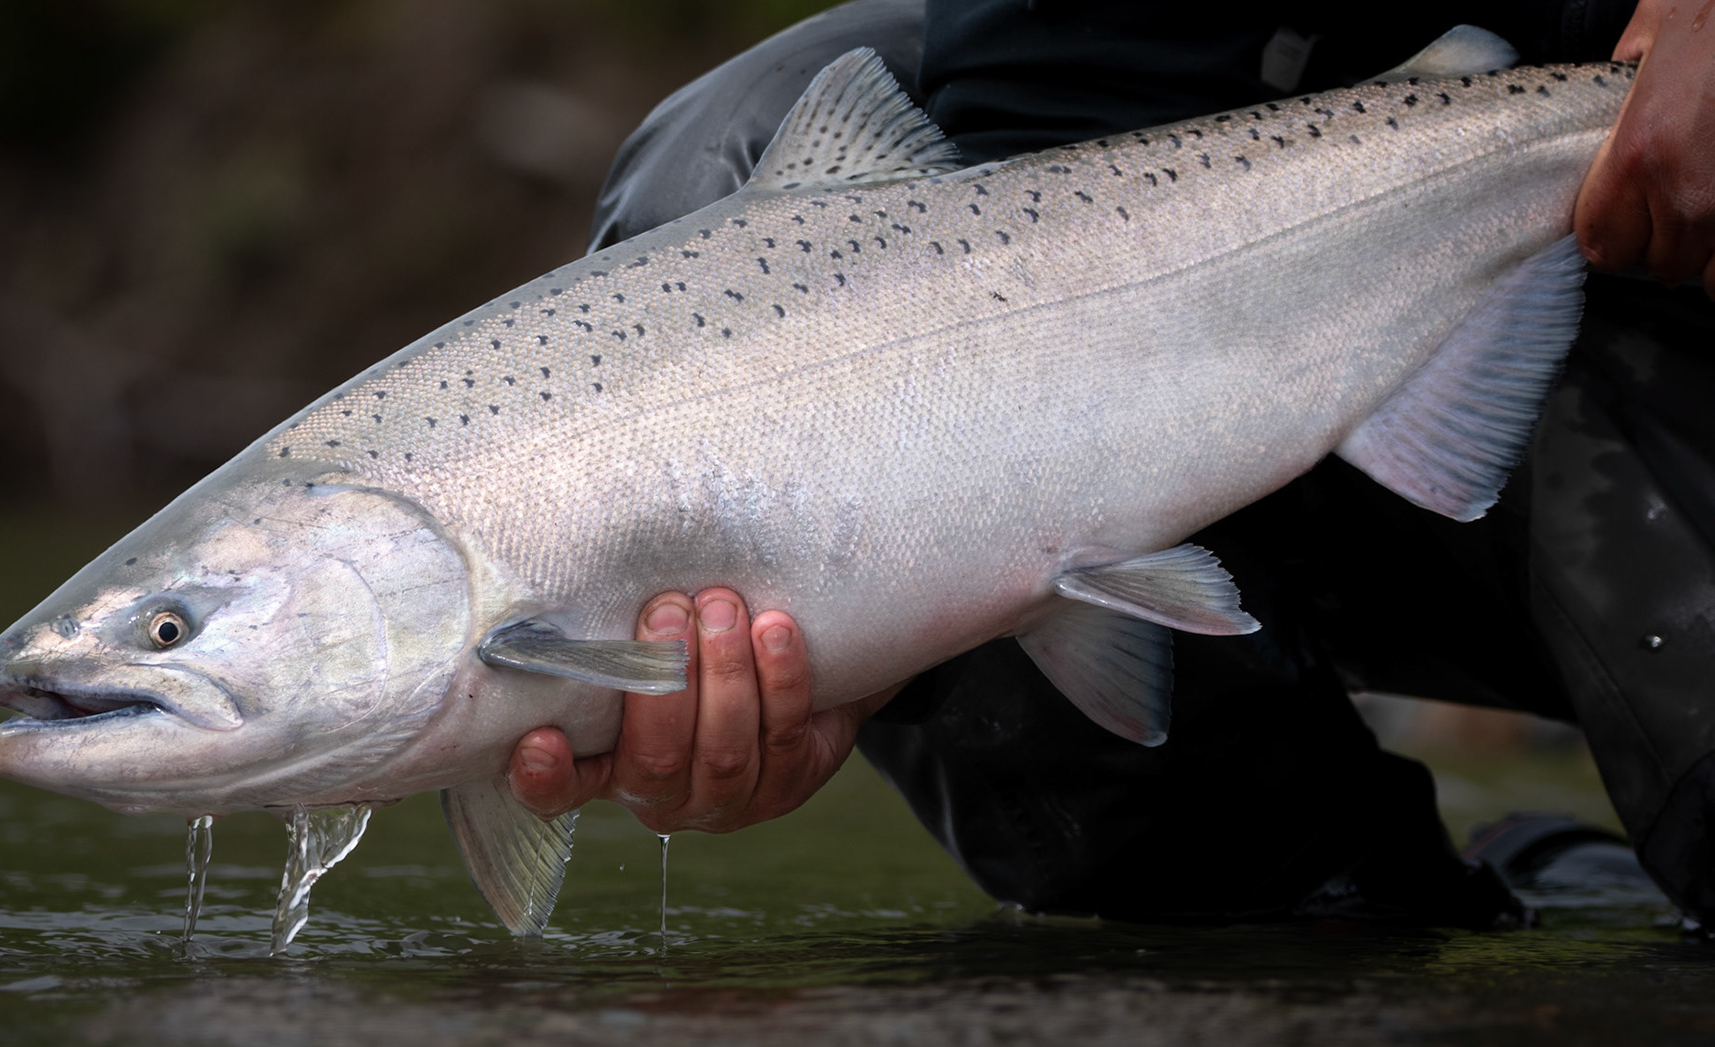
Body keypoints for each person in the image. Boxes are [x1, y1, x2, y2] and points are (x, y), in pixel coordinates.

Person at [506, 0, 1715, 929]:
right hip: (1291, 232)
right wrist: (858, 660)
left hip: (1641, 233)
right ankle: (1335, 926)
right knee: (723, 171)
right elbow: (1047, 99)